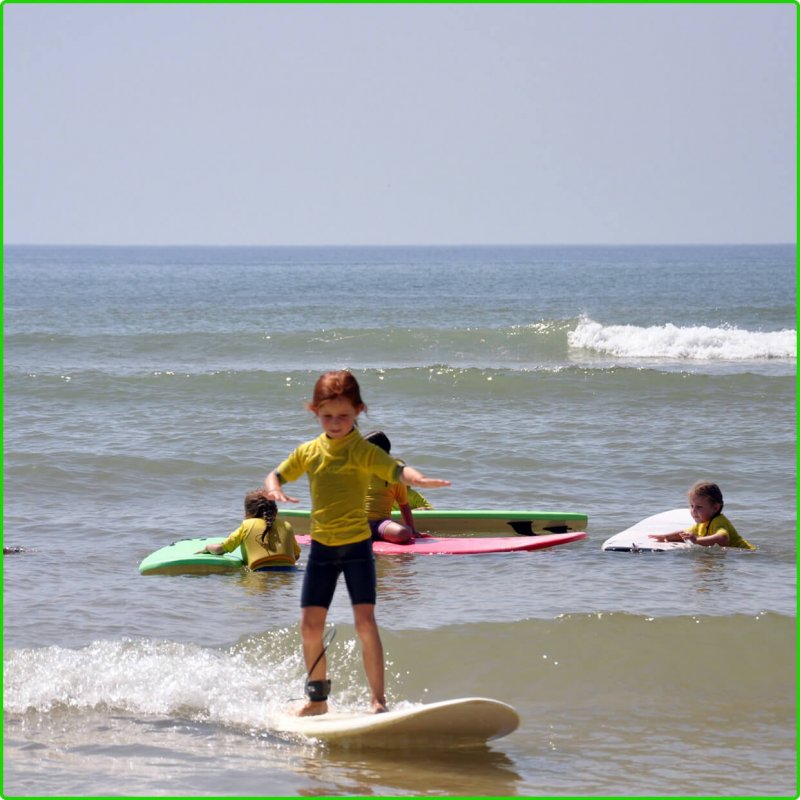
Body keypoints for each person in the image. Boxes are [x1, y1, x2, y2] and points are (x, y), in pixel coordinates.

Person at [264, 370, 450, 716]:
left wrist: (419, 479)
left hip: (357, 549)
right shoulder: (308, 452)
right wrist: (274, 488)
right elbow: (277, 473)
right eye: (327, 416)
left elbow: (396, 471)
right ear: (315, 412)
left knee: (366, 622)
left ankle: (378, 701)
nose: (335, 423)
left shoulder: (364, 452)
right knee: (309, 626)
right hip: (322, 550)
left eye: (344, 416)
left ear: (359, 411)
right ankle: (317, 700)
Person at [196, 489, 301, 569]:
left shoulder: (246, 526)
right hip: (289, 573)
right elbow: (296, 556)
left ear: (246, 514)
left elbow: (219, 550)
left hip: (259, 573)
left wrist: (207, 548)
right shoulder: (287, 525)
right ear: (276, 512)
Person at [649, 481, 755, 549]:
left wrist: (696, 540)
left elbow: (723, 538)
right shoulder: (702, 523)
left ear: (715, 508)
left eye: (699, 507)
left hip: (748, 553)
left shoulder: (718, 521)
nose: (694, 511)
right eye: (691, 506)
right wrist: (666, 537)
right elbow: (684, 534)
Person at [364, 430, 421, 545]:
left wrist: (412, 530)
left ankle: (388, 531)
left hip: (381, 523)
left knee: (403, 533)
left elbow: (404, 505)